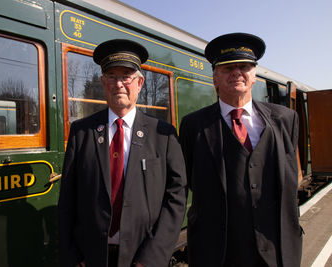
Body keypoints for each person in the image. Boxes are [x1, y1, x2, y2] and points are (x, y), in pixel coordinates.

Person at [58, 39, 187, 267]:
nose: (119, 83)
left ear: (139, 83)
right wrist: (74, 256)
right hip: (91, 257)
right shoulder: (82, 132)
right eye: (111, 76)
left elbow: (175, 198)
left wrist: (152, 258)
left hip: (143, 256)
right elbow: (68, 199)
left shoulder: (163, 135)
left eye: (126, 76)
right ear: (103, 82)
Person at [179, 33, 302, 267]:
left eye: (244, 66)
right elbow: (184, 185)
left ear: (254, 75)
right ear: (214, 78)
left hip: (276, 252)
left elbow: (290, 180)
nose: (236, 72)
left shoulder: (286, 120)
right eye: (227, 68)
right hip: (217, 253)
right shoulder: (193, 126)